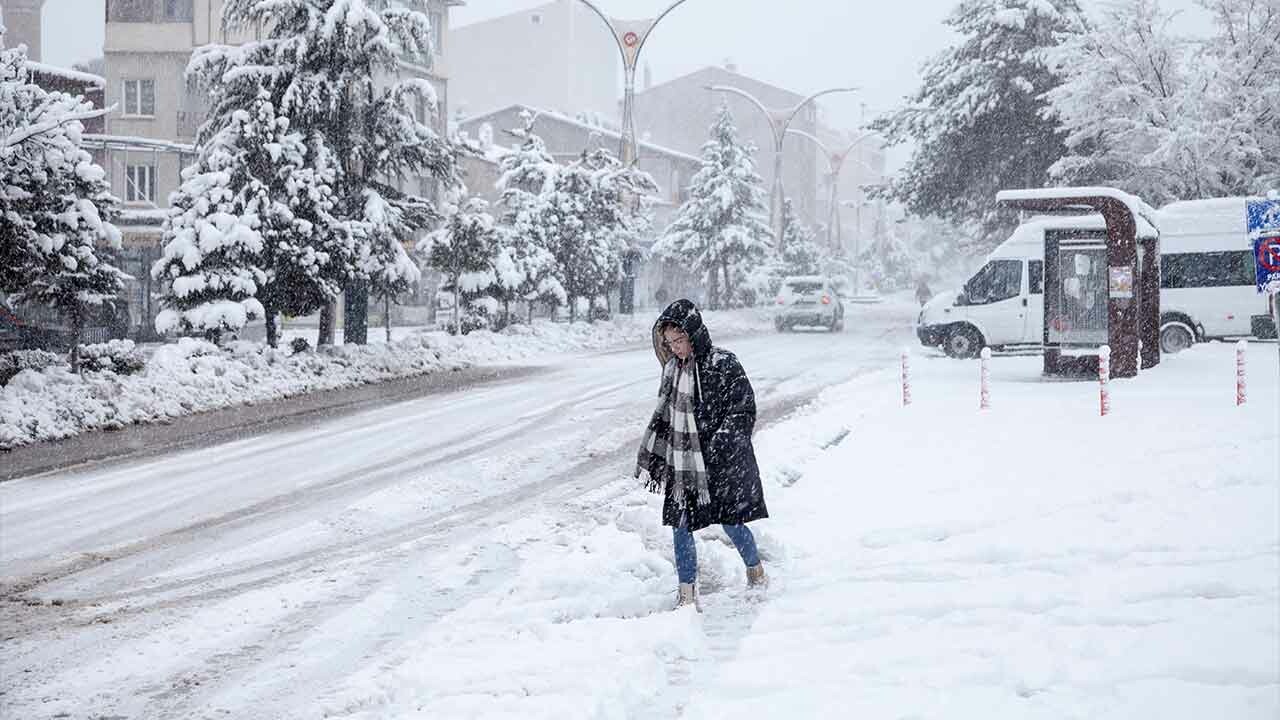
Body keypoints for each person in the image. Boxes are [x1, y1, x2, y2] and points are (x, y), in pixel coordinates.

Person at [635, 299, 768, 609]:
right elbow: (667, 414)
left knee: (731, 523)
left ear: (694, 334)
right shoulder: (672, 369)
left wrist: (723, 442)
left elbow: (743, 408)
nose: (676, 348)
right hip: (685, 464)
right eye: (670, 342)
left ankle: (756, 570)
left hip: (722, 462)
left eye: (680, 340)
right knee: (680, 525)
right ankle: (686, 594)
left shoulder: (723, 364)